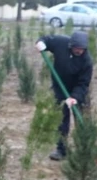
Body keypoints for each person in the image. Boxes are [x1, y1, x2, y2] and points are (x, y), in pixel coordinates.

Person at [35, 30, 93, 161]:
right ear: (71, 46)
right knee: (62, 120)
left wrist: (75, 97)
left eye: (82, 49)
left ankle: (84, 150)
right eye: (77, 49)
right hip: (60, 88)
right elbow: (46, 39)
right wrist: (41, 43)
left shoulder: (87, 61)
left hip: (77, 91)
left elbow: (83, 83)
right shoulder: (60, 43)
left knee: (82, 119)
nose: (79, 51)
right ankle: (62, 150)